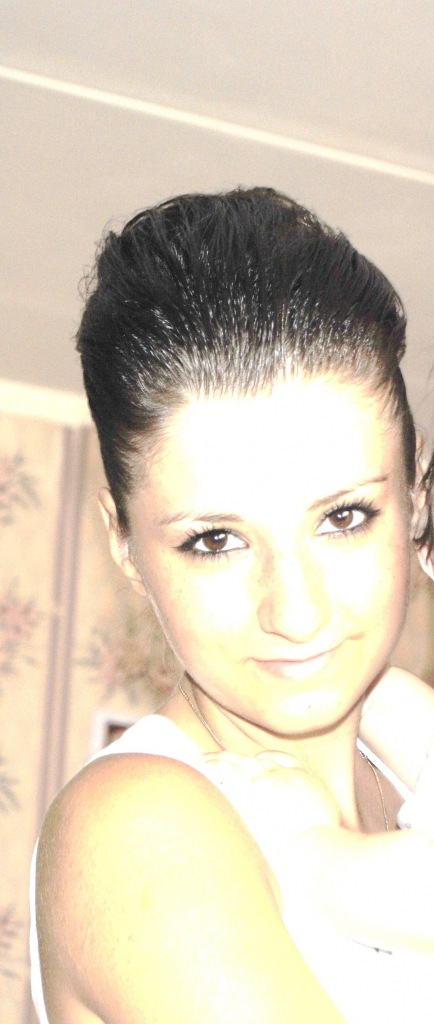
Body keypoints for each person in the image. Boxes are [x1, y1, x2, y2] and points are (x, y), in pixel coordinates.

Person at [31, 188, 434, 1024]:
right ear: (124, 544)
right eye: (215, 540)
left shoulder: (410, 757)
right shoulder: (139, 826)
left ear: (416, 502)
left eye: (344, 517)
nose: (295, 611)